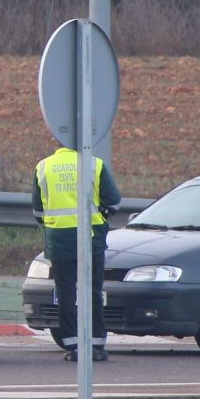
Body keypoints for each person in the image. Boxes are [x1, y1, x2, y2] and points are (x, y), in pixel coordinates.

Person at [32, 145, 123, 362]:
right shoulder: (94, 164)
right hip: (91, 238)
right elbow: (114, 201)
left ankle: (72, 345)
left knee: (65, 293)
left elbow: (37, 211)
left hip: (60, 240)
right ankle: (97, 344)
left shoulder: (44, 166)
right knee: (93, 291)